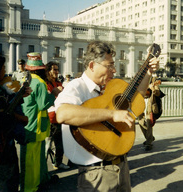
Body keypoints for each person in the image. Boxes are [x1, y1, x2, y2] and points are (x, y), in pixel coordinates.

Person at [55, 41, 159, 191]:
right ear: (92, 65)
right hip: (96, 173)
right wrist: (112, 114)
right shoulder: (77, 86)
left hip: (121, 166)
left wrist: (148, 72)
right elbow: (63, 114)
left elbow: (138, 97)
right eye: (109, 66)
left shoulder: (108, 88)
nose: (114, 70)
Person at [0, 52, 30, 192]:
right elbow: (3, 116)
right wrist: (21, 119)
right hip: (1, 144)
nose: (6, 72)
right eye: (4, 68)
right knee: (7, 180)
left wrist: (19, 96)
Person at [20, 52, 60, 191]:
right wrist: (54, 95)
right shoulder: (40, 82)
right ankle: (30, 188)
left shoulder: (27, 79)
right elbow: (43, 104)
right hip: (35, 126)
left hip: (30, 124)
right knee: (32, 161)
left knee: (34, 160)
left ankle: (38, 183)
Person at [45, 61, 69, 170]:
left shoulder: (59, 83)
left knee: (60, 144)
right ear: (48, 71)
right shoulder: (46, 84)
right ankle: (43, 168)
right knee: (47, 144)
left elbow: (63, 97)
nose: (56, 72)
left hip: (59, 118)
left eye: (57, 69)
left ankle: (58, 163)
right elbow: (49, 99)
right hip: (50, 118)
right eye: (54, 69)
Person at [138, 76, 164, 151]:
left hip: (149, 105)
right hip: (140, 104)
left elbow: (158, 93)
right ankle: (150, 137)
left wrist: (152, 88)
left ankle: (148, 143)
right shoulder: (140, 79)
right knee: (141, 122)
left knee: (149, 123)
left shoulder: (153, 80)